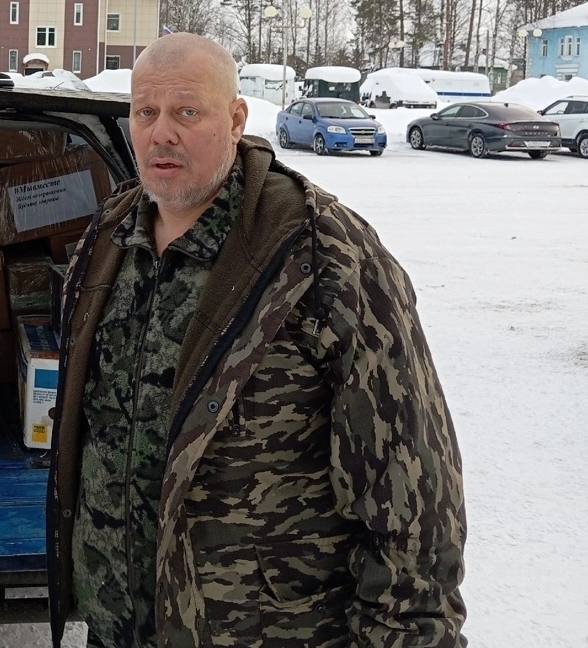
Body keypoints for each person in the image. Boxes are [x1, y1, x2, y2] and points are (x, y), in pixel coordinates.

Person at [47, 33, 466, 648]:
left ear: (237, 118)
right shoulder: (108, 239)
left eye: (187, 112)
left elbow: (413, 494)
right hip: (119, 628)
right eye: (145, 112)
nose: (161, 132)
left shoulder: (322, 259)